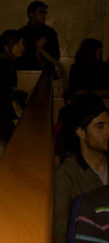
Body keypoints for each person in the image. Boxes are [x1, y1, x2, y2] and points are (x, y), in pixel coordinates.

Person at [54, 93, 109, 241]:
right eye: (100, 127)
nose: (108, 132)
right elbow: (61, 231)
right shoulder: (66, 175)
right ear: (81, 133)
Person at [17, 0, 60, 73]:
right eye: (40, 12)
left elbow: (55, 56)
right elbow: (19, 57)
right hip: (27, 74)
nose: (43, 15)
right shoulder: (22, 33)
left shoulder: (50, 33)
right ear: (31, 14)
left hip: (47, 74)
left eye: (45, 12)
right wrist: (36, 49)